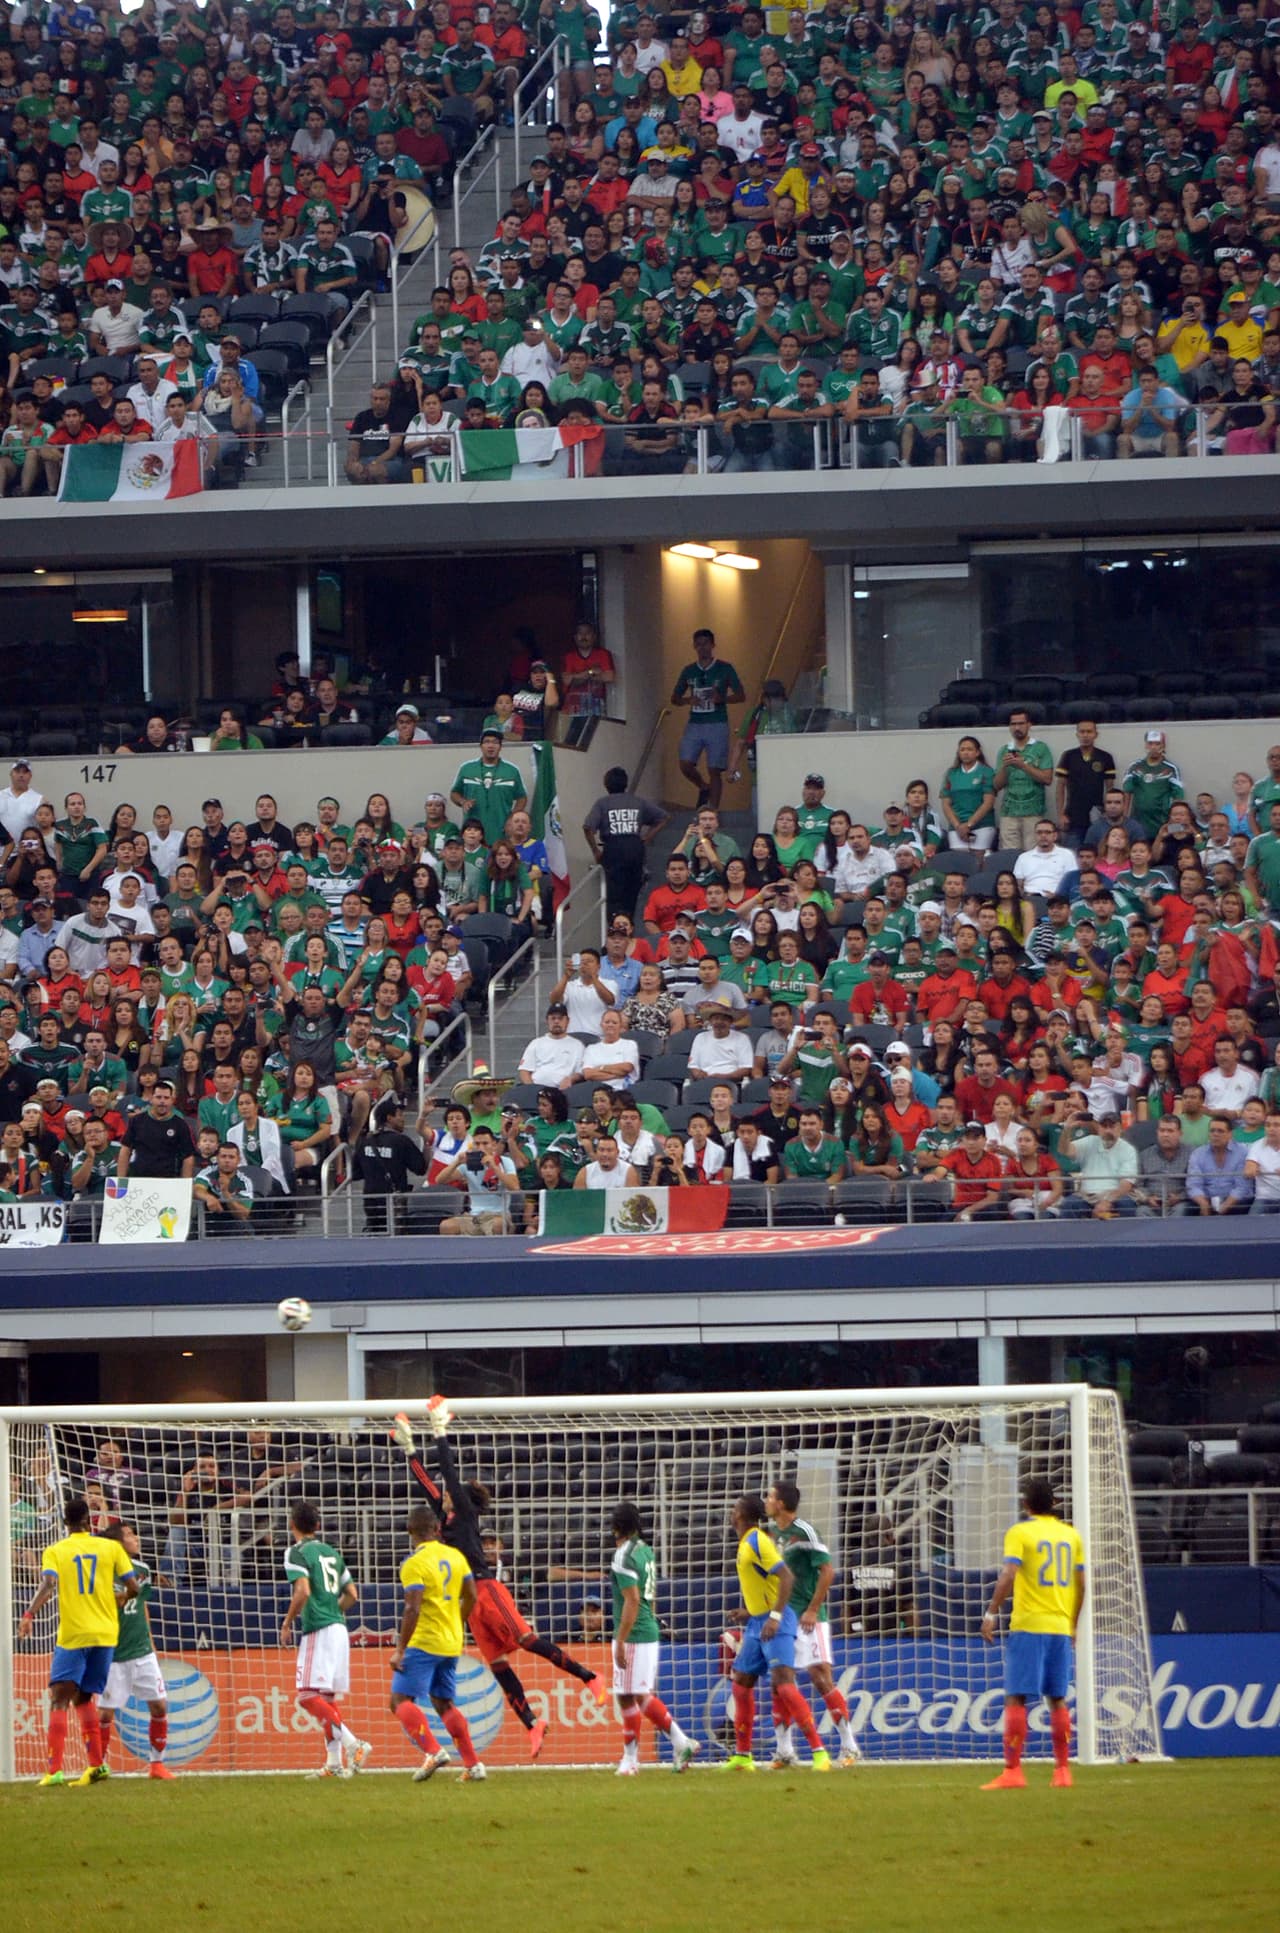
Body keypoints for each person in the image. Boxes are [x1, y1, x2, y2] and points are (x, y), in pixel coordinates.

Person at [390, 1398, 607, 1759]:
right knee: (498, 1665)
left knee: (526, 1638)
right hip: (469, 1600)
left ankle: (590, 1677)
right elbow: (426, 1483)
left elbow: (447, 1473)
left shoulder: (463, 1514)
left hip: (486, 1588)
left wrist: (439, 1430)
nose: (444, 1495)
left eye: (449, 1493)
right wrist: (409, 1447)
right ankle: (532, 1723)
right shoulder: (444, 1519)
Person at [17, 1493, 139, 1787]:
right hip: (106, 1634)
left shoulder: (56, 1550)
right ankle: (96, 1765)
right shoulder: (111, 1547)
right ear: (88, 1521)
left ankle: (54, 1771)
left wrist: (29, 1614)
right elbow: (134, 1587)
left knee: (59, 1699)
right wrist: (122, 1597)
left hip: (74, 1634)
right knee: (85, 1698)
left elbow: (49, 1584)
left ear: (65, 1522)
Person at [980, 1475, 1085, 1790]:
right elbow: (1081, 1584)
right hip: (1060, 1626)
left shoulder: (1020, 1532)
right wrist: (1072, 1624)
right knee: (1057, 1698)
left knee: (1015, 1696)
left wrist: (991, 1612)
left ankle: (1013, 1771)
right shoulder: (1071, 1535)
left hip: (1028, 1625)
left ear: (1025, 1504)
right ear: (1055, 1503)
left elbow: (1009, 1574)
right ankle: (1063, 1771)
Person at [726, 1492, 830, 1772]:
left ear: (743, 1515)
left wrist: (774, 1616)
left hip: (778, 1622)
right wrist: (750, 1612)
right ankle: (743, 1756)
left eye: (735, 1508)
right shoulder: (746, 1542)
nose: (731, 1513)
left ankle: (819, 1753)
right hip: (757, 1623)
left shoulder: (758, 1540)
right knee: (741, 1683)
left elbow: (786, 1576)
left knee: (784, 1684)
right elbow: (765, 1583)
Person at [766, 1479, 860, 1768]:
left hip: (809, 1618)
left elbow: (827, 1570)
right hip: (782, 1618)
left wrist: (813, 1609)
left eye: (770, 1496)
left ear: (781, 1503)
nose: (767, 1501)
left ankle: (849, 1746)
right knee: (780, 1680)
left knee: (820, 1677)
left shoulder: (805, 1531)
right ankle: (784, 1750)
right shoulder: (770, 1534)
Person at [390, 1500, 484, 1783]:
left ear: (410, 1530)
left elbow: (412, 1608)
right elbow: (472, 1596)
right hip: (452, 1642)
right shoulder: (456, 1556)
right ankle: (473, 1765)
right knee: (444, 1702)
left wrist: (400, 1650)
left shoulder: (413, 1563)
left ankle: (433, 1752)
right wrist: (456, 1620)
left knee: (399, 1700)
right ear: (436, 1528)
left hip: (425, 1641)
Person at [280, 1500, 371, 1780]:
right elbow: (352, 1594)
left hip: (318, 1629)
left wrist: (287, 1622)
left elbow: (303, 1591)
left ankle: (354, 1744)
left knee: (307, 1696)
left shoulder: (295, 1552)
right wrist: (334, 1612)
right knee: (327, 1699)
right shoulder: (332, 1552)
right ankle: (333, 1764)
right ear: (317, 1525)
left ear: (292, 1524)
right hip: (339, 1629)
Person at [610, 1499, 699, 1776]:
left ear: (615, 1528)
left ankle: (638, 1757)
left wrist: (621, 1640)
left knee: (632, 1695)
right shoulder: (645, 1550)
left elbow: (632, 1599)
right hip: (646, 1629)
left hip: (634, 1633)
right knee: (631, 1694)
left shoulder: (623, 1555)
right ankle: (669, 1746)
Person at [95, 1522, 173, 1780]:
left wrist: (151, 1642)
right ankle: (97, 1765)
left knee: (159, 1706)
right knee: (105, 1713)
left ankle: (157, 1765)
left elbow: (142, 1605)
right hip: (113, 1654)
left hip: (142, 1651)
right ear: (117, 1544)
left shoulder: (142, 1570)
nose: (136, 1538)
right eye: (129, 1535)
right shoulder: (101, 1574)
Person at [671, 628, 745, 809]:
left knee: (715, 769)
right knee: (685, 763)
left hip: (717, 722)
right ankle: (703, 786)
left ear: (713, 645)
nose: (702, 647)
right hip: (695, 723)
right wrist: (688, 700)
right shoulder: (689, 670)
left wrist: (722, 699)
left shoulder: (725, 668)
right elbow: (675, 698)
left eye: (705, 643)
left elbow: (741, 695)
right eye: (698, 644)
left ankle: (713, 810)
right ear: (694, 646)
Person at [583, 767, 668, 924]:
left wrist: (595, 850)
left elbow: (588, 827)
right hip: (635, 847)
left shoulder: (602, 803)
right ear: (626, 784)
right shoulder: (638, 801)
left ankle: (614, 927)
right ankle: (629, 925)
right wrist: (647, 837)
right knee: (632, 892)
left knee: (614, 894)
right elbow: (663, 817)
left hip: (613, 847)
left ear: (606, 784)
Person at [352, 1094, 427, 1235]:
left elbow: (355, 1174)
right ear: (389, 1118)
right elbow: (420, 1168)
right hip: (394, 1202)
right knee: (396, 1237)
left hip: (370, 1202)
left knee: (375, 1236)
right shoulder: (401, 1141)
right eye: (399, 1115)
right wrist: (428, 1144)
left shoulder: (364, 1141)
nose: (403, 1119)